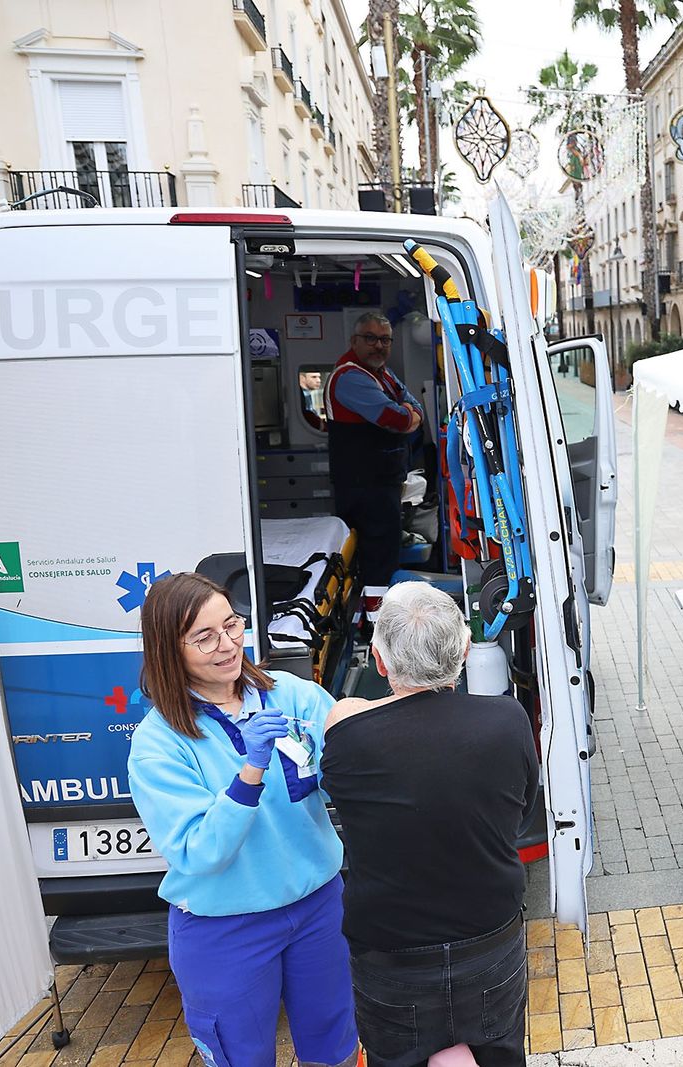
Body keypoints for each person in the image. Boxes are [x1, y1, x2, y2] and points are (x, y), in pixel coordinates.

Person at [127, 573, 358, 1067]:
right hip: (224, 927)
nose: (228, 645)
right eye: (204, 637)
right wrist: (249, 771)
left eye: (231, 625)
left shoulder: (292, 695)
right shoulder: (158, 744)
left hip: (317, 907)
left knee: (336, 1046)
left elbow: (354, 758)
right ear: (170, 650)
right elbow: (198, 852)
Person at [323, 583, 538, 1067]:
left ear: (379, 663)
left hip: (391, 953)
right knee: (500, 1056)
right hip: (490, 940)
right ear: (464, 651)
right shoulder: (507, 719)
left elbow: (349, 712)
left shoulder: (347, 728)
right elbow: (521, 813)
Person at [327, 310, 425, 626]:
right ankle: (376, 622)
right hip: (362, 484)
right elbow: (395, 419)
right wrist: (408, 415)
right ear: (354, 341)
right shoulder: (350, 377)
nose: (378, 346)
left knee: (383, 549)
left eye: (385, 340)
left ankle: (372, 614)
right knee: (376, 554)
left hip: (381, 481)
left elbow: (414, 408)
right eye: (370, 339)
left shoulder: (382, 374)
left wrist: (409, 413)